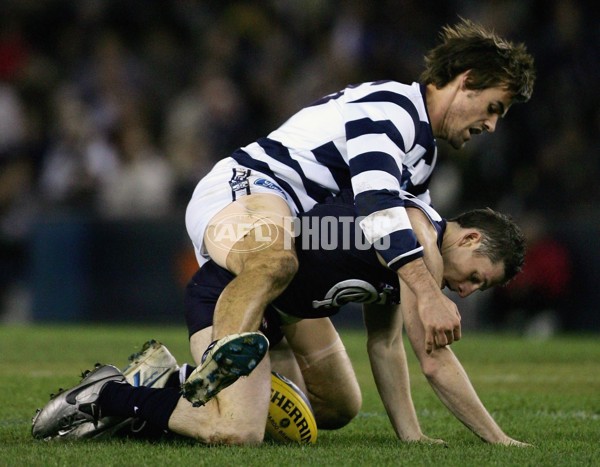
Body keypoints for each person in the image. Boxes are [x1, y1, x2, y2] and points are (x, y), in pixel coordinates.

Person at [180, 17, 536, 406]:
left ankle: (170, 383)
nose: (492, 124)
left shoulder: (422, 154)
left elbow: (405, 242)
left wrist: (409, 308)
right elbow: (376, 208)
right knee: (274, 261)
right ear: (467, 82)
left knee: (336, 403)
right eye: (494, 107)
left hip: (294, 231)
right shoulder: (392, 111)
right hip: (248, 188)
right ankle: (214, 379)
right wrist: (429, 295)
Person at [32, 192, 529, 446]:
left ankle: (172, 382)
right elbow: (434, 361)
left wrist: (411, 436)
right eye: (478, 278)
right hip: (235, 296)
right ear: (470, 241)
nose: (465, 290)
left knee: (336, 410)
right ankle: (107, 396)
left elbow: (386, 345)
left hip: (286, 315)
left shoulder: (412, 244)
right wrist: (499, 441)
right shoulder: (418, 241)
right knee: (237, 434)